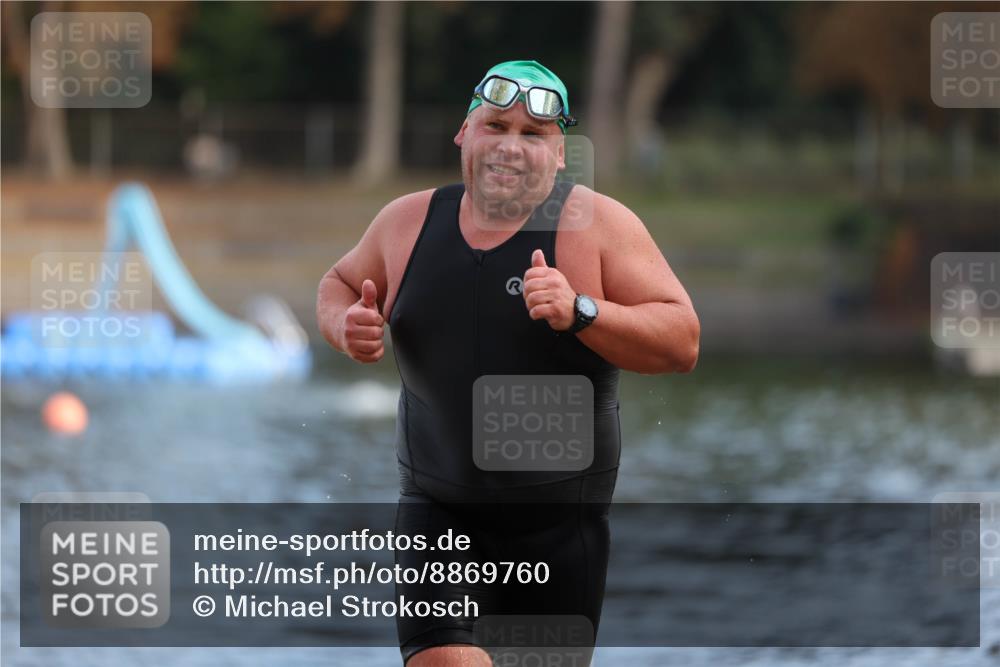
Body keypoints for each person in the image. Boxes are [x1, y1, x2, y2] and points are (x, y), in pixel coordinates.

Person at [317, 60, 699, 667]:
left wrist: (581, 311)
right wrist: (347, 326)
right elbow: (338, 282)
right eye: (496, 126)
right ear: (463, 134)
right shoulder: (406, 222)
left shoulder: (597, 226)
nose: (510, 148)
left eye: (533, 135)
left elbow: (682, 341)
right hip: (435, 514)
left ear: (560, 155)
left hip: (556, 532)